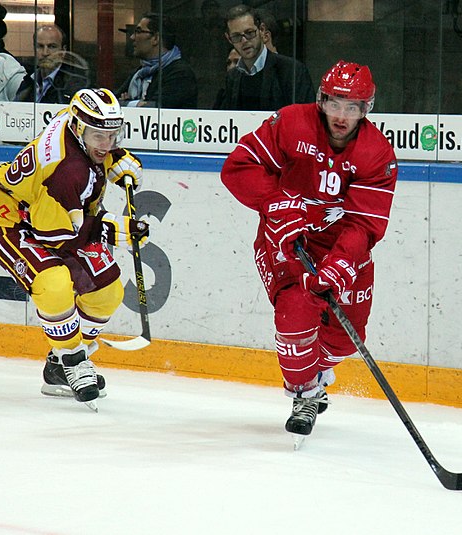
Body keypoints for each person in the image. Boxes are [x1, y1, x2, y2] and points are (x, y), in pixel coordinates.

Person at [220, 61, 398, 437]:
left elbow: (365, 223)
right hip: (286, 242)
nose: (342, 116)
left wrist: (338, 265)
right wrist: (276, 203)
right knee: (295, 313)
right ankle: (305, 393)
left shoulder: (377, 154)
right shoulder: (291, 123)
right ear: (321, 100)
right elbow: (239, 167)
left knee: (345, 339)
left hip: (342, 249)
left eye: (353, 107)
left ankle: (318, 372)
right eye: (335, 104)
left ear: (367, 109)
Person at [0, 88, 148, 410]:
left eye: (113, 136)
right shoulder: (65, 172)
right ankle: (71, 359)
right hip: (11, 219)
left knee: (107, 291)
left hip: (54, 212)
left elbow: (93, 156)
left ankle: (59, 366)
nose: (106, 143)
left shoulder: (73, 123)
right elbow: (55, 237)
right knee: (53, 284)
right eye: (99, 136)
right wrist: (111, 229)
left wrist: (114, 158)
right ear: (80, 129)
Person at [215, 4, 315, 111]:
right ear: (229, 39)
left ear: (262, 30)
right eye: (236, 36)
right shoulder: (232, 77)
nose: (244, 41)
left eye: (249, 33)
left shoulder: (291, 70)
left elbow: (307, 118)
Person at [116, 12, 198, 108]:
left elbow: (155, 109)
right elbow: (112, 103)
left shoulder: (180, 74)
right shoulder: (140, 72)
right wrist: (133, 104)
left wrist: (127, 103)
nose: (132, 37)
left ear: (155, 38)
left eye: (138, 32)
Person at [15, 25, 89, 104]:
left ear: (63, 51)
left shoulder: (73, 85)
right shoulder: (29, 80)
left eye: (52, 47)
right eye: (40, 46)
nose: (45, 53)